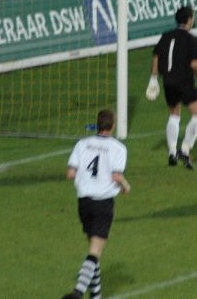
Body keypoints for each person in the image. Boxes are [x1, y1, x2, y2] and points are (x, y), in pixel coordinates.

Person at [63, 109, 130, 299]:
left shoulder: (82, 144)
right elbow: (116, 175)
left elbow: (70, 173)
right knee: (94, 251)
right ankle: (78, 291)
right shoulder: (118, 148)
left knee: (94, 250)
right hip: (103, 203)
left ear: (97, 124)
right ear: (113, 125)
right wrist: (125, 186)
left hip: (83, 202)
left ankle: (96, 295)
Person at [145, 6, 197, 169]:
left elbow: (156, 56)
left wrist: (153, 78)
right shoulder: (191, 39)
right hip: (184, 82)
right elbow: (194, 64)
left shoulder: (166, 36)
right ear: (189, 19)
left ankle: (172, 152)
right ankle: (185, 150)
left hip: (168, 82)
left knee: (174, 116)